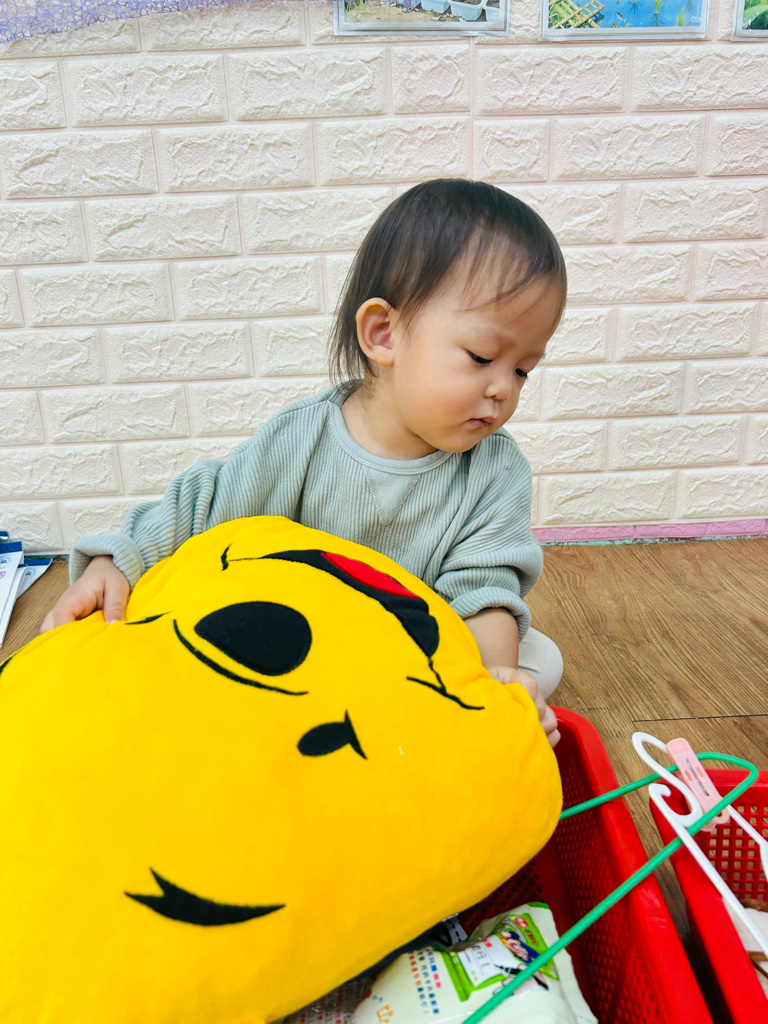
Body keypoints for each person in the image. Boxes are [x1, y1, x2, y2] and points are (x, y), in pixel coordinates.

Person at [40, 179, 566, 746]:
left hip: (408, 659)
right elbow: (200, 508)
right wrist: (115, 564)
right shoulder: (302, 439)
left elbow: (484, 591)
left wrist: (494, 679)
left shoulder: (494, 472)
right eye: (483, 357)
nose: (503, 389)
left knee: (540, 660)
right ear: (383, 335)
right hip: (293, 648)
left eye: (522, 370)